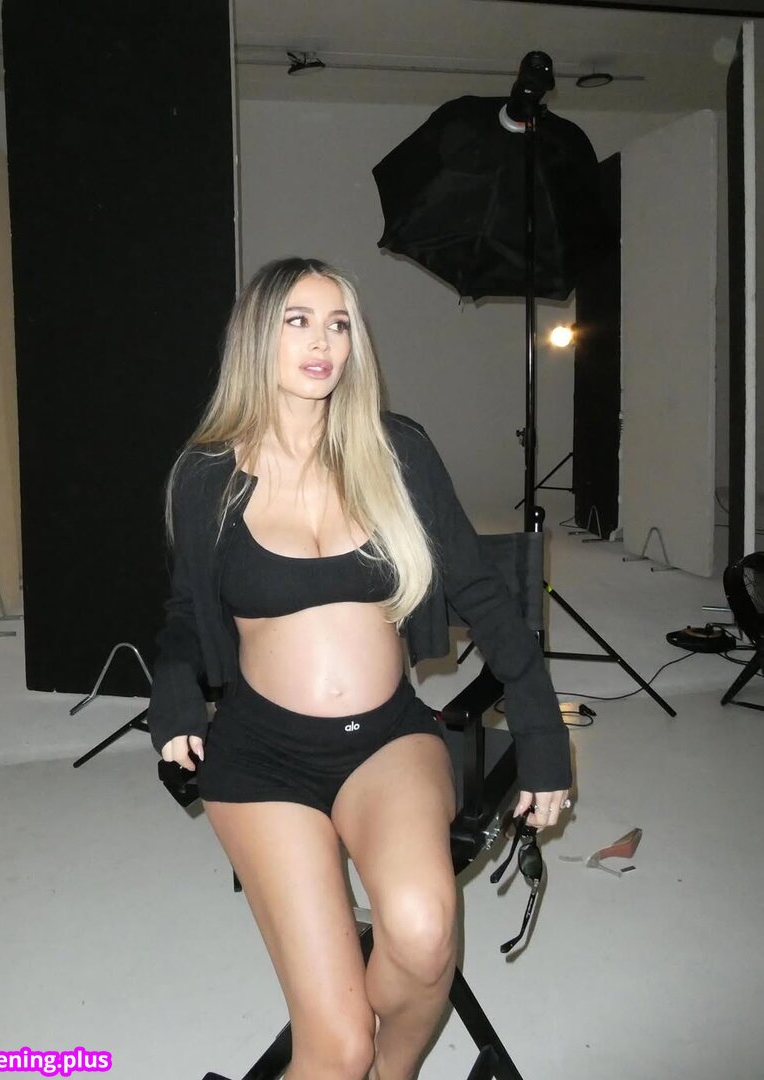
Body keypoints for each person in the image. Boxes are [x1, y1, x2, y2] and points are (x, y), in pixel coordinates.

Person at [148, 256, 572, 1080]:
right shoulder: (205, 477)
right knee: (335, 1047)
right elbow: (184, 615)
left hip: (386, 740)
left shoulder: (395, 451)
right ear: (255, 337)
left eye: (338, 324)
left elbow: (483, 598)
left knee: (422, 936)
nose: (323, 342)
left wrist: (542, 734)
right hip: (261, 756)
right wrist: (173, 693)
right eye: (298, 321)